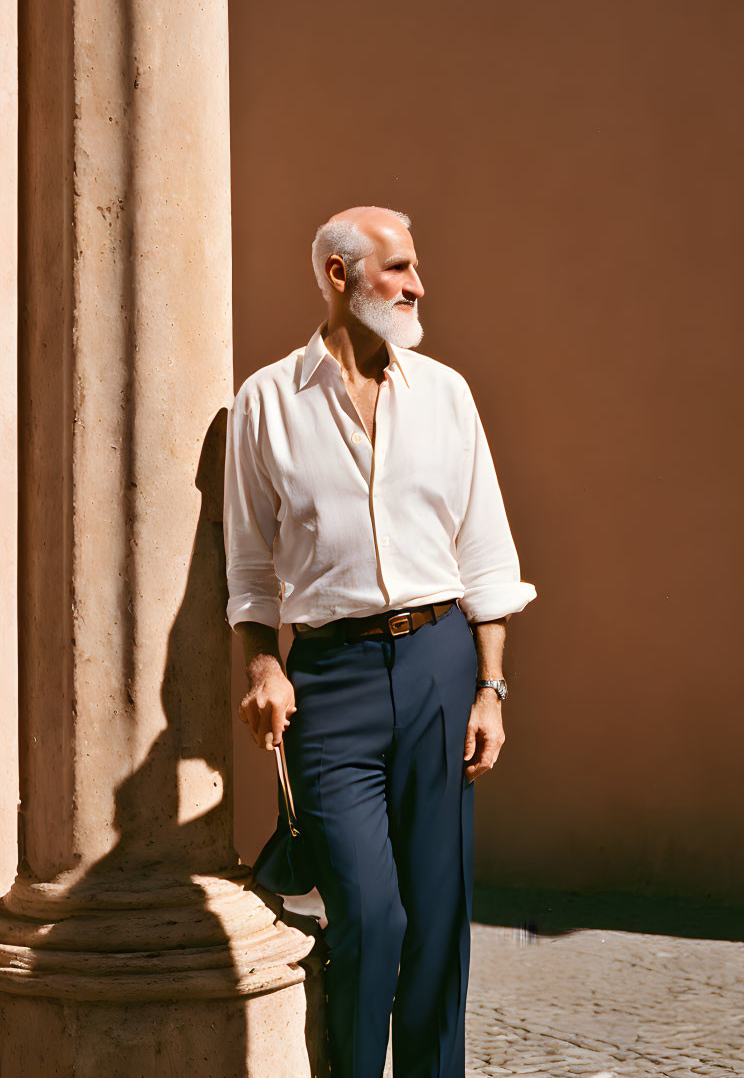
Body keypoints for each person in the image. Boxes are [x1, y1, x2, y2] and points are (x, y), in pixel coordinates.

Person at [224, 204, 537, 1078]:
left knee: (438, 918)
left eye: (413, 266)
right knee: (369, 915)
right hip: (331, 678)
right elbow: (248, 571)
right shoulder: (267, 402)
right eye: (398, 268)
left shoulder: (445, 393)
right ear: (339, 274)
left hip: (440, 662)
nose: (417, 285)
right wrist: (263, 665)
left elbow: (486, 553)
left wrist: (490, 687)